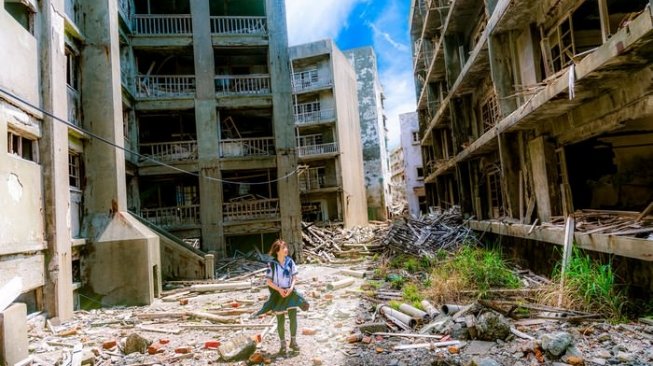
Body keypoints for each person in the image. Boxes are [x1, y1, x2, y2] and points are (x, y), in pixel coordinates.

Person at [254, 239, 309, 355]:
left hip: (290, 292)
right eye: (284, 248)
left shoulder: (290, 262)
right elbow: (268, 282)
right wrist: (279, 290)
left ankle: (293, 342)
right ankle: (283, 345)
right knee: (280, 320)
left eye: (286, 247)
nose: (286, 250)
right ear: (277, 251)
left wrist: (290, 289)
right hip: (278, 294)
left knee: (293, 317)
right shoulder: (271, 264)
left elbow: (294, 278)